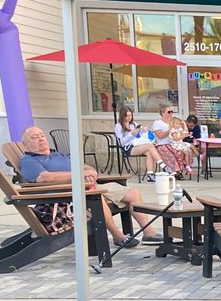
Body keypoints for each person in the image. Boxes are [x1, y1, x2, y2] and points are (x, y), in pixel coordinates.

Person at [18, 125, 160, 246]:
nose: (41, 138)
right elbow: (44, 178)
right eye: (34, 137)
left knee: (132, 193)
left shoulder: (60, 155)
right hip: (67, 194)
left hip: (89, 185)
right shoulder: (29, 160)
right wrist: (78, 175)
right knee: (96, 198)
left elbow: (85, 166)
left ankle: (148, 232)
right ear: (25, 144)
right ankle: (119, 237)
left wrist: (90, 171)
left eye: (42, 135)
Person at [113, 106, 167, 181]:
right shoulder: (118, 126)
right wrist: (131, 134)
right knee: (150, 146)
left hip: (138, 145)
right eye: (127, 116)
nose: (129, 118)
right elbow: (120, 142)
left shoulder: (134, 124)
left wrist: (145, 128)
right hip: (128, 147)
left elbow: (143, 131)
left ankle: (150, 175)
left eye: (130, 115)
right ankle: (164, 166)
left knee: (148, 152)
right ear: (123, 116)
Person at [150, 105, 193, 178]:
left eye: (172, 112)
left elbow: (182, 132)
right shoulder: (158, 123)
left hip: (174, 143)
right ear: (163, 113)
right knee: (171, 154)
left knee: (186, 151)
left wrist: (183, 126)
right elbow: (160, 136)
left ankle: (182, 169)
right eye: (169, 112)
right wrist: (170, 130)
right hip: (162, 144)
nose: (171, 113)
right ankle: (175, 171)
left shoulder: (174, 122)